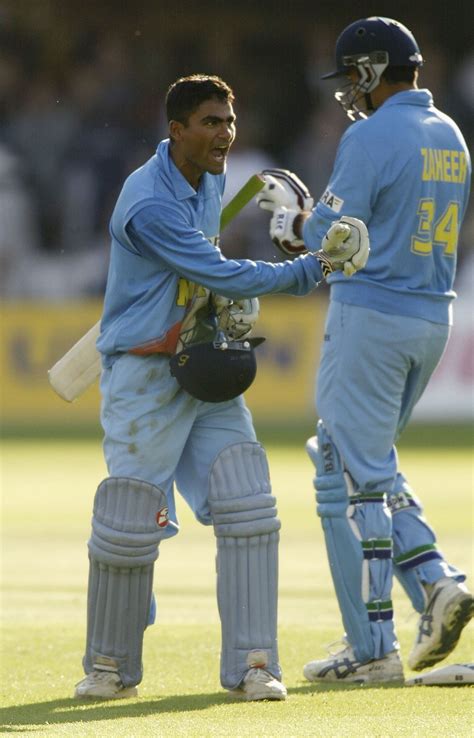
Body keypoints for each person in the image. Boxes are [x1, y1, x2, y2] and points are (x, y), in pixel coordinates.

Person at [73, 74, 369, 701]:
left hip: (199, 364)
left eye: (229, 122)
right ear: (175, 129)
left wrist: (216, 308)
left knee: (248, 504)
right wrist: (308, 269)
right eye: (210, 122)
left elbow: (206, 274)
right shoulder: (148, 202)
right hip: (141, 374)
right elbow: (216, 268)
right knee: (130, 524)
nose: (225, 134)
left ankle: (254, 664)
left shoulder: (207, 181)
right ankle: (109, 667)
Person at [257, 17, 472, 684]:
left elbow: (330, 233)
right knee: (353, 463)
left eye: (354, 75)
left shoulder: (372, 134)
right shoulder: (451, 133)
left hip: (372, 313)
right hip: (431, 317)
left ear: (375, 69)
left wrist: (291, 222)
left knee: (348, 475)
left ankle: (378, 640)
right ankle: (425, 593)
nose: (350, 90)